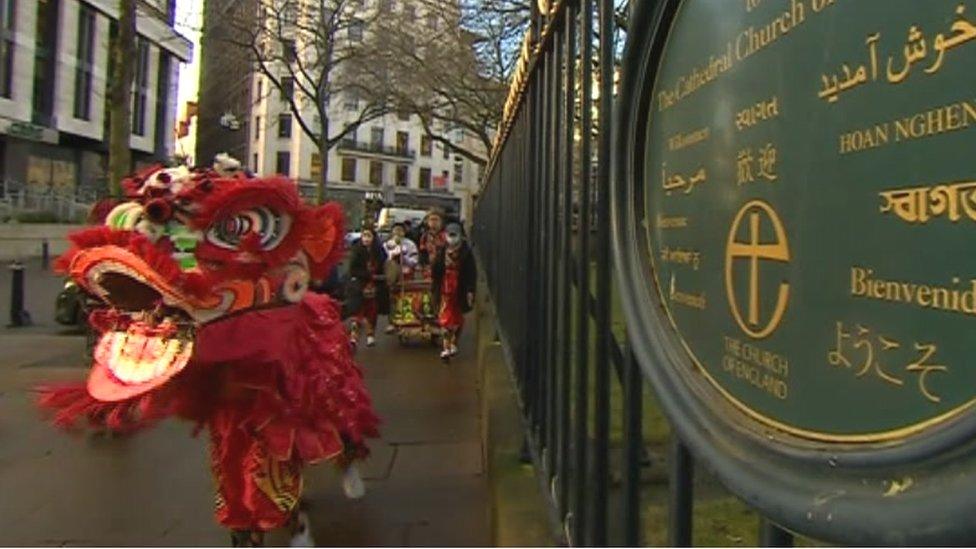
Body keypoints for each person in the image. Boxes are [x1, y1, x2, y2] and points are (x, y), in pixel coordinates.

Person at [432, 222, 476, 360]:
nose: (451, 238)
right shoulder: (442, 251)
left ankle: (453, 343)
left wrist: (470, 290)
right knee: (445, 319)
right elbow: (436, 272)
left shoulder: (466, 253)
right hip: (445, 290)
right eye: (449, 235)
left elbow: (471, 273)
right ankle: (446, 347)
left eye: (454, 235)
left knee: (457, 319)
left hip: (460, 290)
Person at [347, 227, 385, 348]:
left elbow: (384, 264)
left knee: (372, 310)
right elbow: (352, 269)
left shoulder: (379, 251)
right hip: (359, 284)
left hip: (374, 284)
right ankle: (354, 336)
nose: (366, 239)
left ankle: (370, 335)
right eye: (364, 236)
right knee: (357, 310)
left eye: (369, 236)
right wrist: (366, 275)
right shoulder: (356, 250)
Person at [383, 223, 419, 334]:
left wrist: (404, 257)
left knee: (407, 297)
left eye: (400, 231)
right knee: (393, 298)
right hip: (393, 276)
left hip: (407, 274)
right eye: (395, 230)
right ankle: (392, 322)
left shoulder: (410, 245)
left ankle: (409, 319)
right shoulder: (387, 245)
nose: (398, 233)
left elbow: (414, 261)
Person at [418, 207, 447, 277]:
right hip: (429, 270)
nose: (434, 222)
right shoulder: (425, 236)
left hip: (444, 269)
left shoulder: (446, 236)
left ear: (441, 222)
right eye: (431, 219)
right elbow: (422, 253)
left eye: (436, 220)